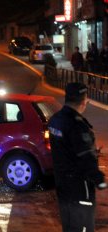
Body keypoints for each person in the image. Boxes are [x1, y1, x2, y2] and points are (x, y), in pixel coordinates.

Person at [48, 82, 107, 232]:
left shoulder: (55, 120)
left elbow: (66, 148)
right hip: (79, 186)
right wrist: (100, 180)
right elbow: (85, 157)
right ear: (83, 101)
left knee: (69, 225)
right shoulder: (77, 125)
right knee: (83, 227)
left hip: (62, 182)